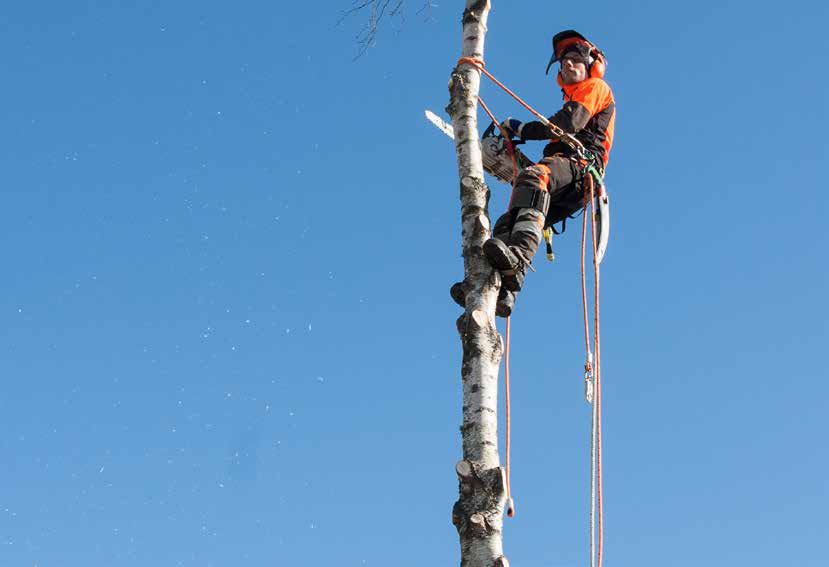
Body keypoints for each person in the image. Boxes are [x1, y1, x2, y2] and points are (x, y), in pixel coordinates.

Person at [452, 30, 616, 317]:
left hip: (580, 168)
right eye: (564, 61)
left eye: (576, 59)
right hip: (570, 179)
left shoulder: (596, 88)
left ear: (591, 64)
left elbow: (567, 124)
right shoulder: (577, 94)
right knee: (511, 218)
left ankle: (517, 259)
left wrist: (521, 129)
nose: (568, 64)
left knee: (533, 177)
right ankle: (501, 289)